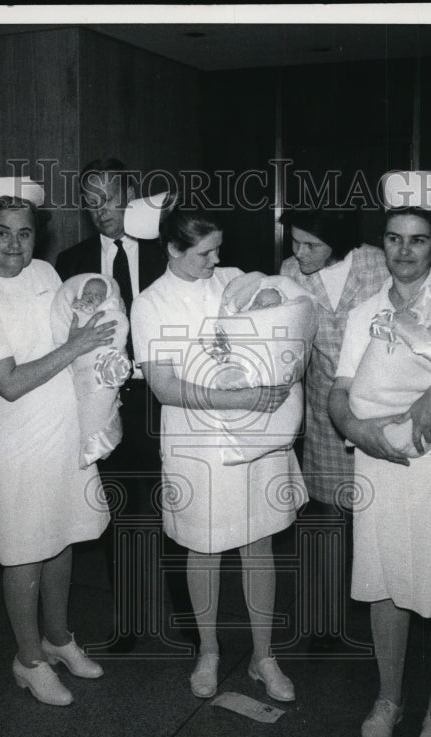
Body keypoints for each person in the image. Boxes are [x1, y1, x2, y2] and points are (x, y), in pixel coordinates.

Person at [130, 203, 307, 701]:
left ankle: (263, 657)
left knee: (260, 544)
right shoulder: (152, 303)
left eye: (218, 249)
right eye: (206, 252)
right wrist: (243, 396)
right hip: (199, 443)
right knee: (203, 546)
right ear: (173, 250)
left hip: (259, 438)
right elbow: (165, 388)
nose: (216, 259)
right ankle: (208, 651)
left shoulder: (232, 280)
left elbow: (286, 321)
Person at [328, 173, 431, 737]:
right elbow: (338, 393)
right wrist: (357, 430)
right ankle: (389, 699)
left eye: (418, 240)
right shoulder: (363, 310)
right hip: (376, 466)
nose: (405, 251)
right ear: (381, 243)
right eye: (394, 239)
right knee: (385, 583)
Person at [0, 176, 114, 705]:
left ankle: (58, 639)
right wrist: (75, 347)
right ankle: (27, 659)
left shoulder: (48, 273)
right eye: (2, 233)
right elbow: (7, 381)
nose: (14, 244)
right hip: (18, 446)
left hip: (64, 432)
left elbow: (81, 326)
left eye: (24, 234)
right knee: (23, 553)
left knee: (63, 539)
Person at [56, 158, 193, 653]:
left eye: (110, 198)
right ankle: (129, 620)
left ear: (132, 194)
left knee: (176, 505)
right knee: (118, 513)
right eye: (91, 201)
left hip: (165, 398)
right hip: (104, 403)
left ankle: (189, 614)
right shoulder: (70, 262)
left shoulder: (167, 250)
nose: (101, 211)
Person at [278, 207, 389, 652]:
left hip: (382, 405)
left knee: (377, 513)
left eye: (312, 245)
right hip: (327, 407)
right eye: (296, 241)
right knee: (327, 517)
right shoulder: (289, 272)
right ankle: (324, 622)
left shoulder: (377, 263)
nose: (299, 253)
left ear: (338, 243)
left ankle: (386, 606)